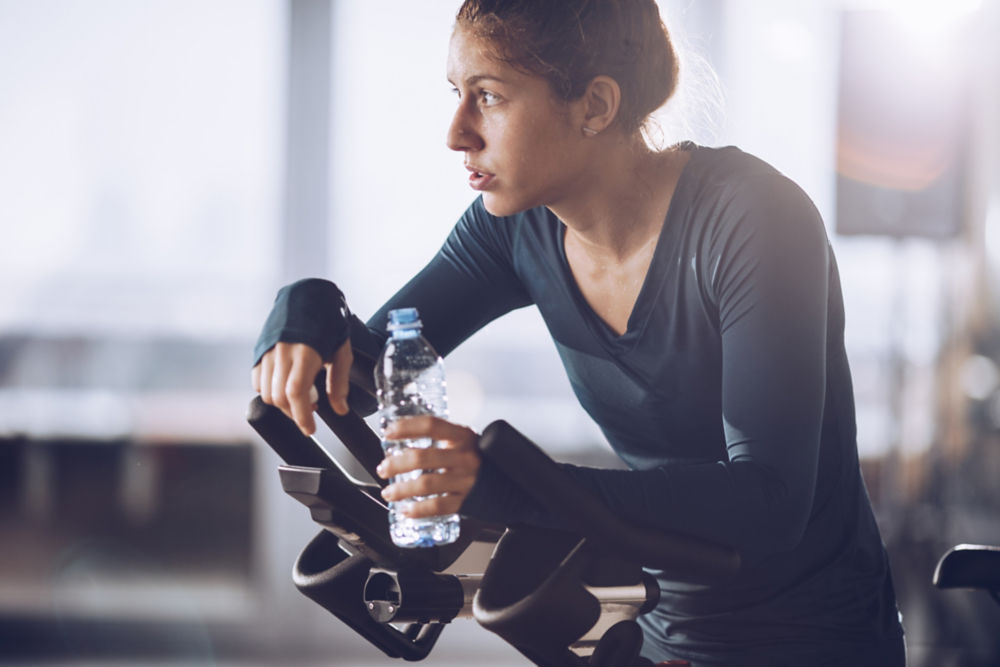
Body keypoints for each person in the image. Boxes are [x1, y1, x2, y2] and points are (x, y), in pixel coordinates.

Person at [251, 1, 906, 664]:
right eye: (457, 94)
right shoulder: (513, 230)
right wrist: (307, 312)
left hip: (816, 637)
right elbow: (356, 385)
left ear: (594, 105)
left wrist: (514, 487)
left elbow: (770, 503)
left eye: (489, 96)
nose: (457, 133)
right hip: (664, 632)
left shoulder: (753, 221)